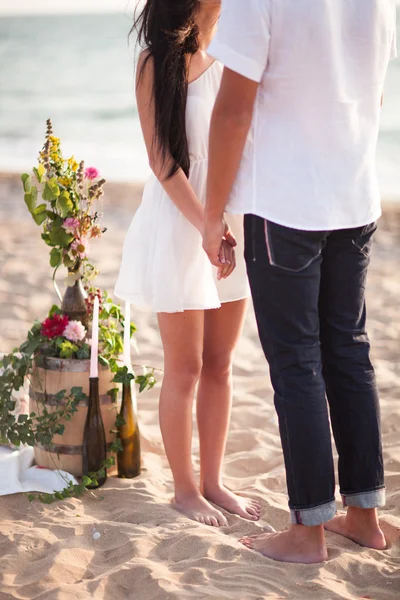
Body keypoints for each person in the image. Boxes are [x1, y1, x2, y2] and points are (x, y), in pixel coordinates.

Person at [203, 0, 397, 562]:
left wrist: (212, 215)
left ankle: (307, 531)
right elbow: (374, 93)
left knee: (297, 364)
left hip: (285, 204)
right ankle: (364, 518)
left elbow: (233, 111)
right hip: (355, 196)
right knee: (349, 352)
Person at [114, 0, 259, 527]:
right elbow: (162, 160)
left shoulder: (238, 47)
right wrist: (204, 225)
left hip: (232, 221)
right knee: (187, 367)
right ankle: (184, 490)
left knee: (221, 363)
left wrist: (225, 225)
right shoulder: (156, 62)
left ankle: (213, 481)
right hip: (183, 222)